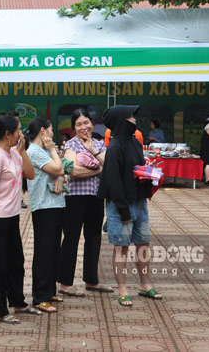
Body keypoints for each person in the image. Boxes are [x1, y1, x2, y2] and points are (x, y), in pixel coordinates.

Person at [100, 105, 162, 307]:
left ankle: (145, 285)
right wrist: (123, 209)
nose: (134, 120)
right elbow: (113, 182)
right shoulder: (115, 147)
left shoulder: (135, 142)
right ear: (120, 121)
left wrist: (148, 175)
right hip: (121, 206)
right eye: (130, 117)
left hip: (140, 202)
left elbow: (136, 168)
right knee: (122, 248)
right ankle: (123, 289)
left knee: (143, 244)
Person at [0, 115, 36, 324]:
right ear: (7, 134)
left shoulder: (13, 153)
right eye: (18, 130)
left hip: (11, 217)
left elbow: (30, 175)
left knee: (16, 262)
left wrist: (21, 151)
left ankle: (17, 302)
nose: (21, 134)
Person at [58, 108, 110, 298]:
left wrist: (93, 151)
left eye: (86, 122)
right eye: (79, 124)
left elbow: (109, 165)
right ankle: (64, 284)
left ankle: (91, 280)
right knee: (71, 238)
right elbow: (75, 172)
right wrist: (99, 170)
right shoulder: (70, 145)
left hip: (96, 197)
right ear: (74, 127)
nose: (83, 127)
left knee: (94, 238)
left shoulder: (98, 144)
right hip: (75, 198)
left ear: (92, 123)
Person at [25, 117, 66, 313]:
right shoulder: (35, 151)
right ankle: (40, 297)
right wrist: (53, 152)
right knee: (44, 252)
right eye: (50, 130)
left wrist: (60, 175)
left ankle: (49, 291)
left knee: (53, 251)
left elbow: (62, 172)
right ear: (43, 131)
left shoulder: (41, 151)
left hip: (54, 204)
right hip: (44, 206)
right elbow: (59, 167)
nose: (52, 134)